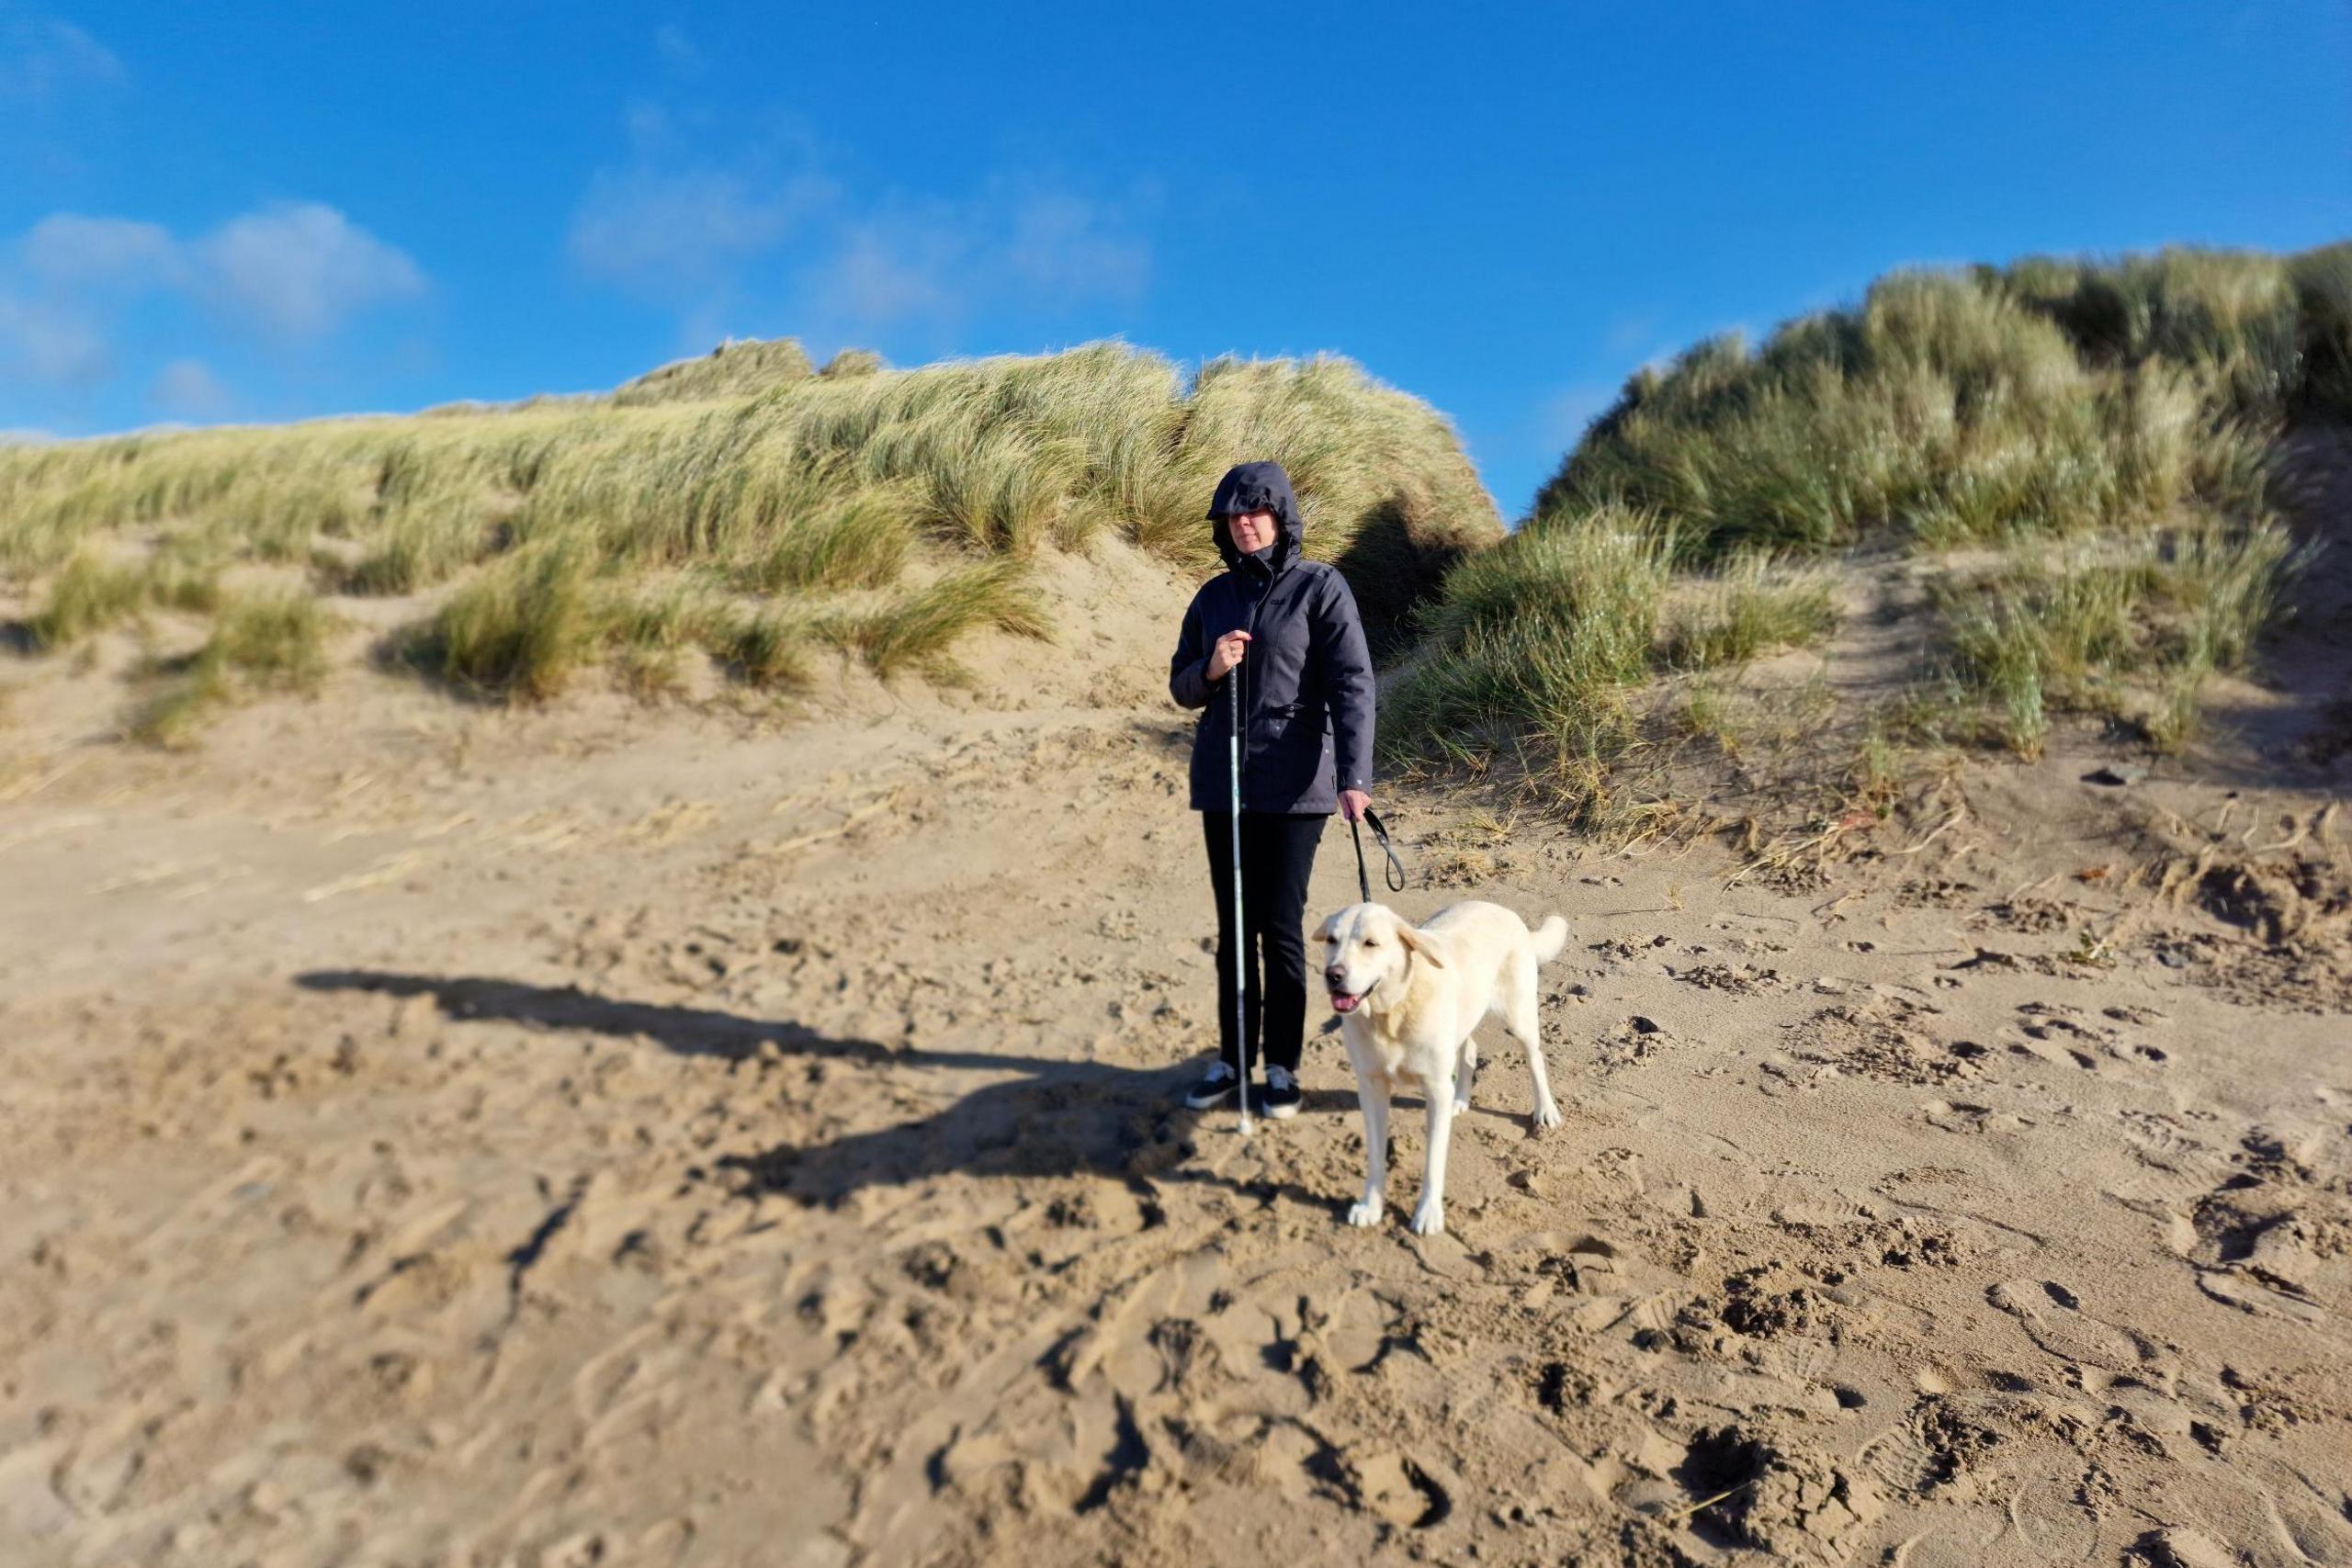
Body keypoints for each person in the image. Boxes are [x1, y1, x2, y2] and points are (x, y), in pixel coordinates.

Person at [1168, 460, 1375, 1120]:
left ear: (1281, 518)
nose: (1244, 524)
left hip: (1295, 789)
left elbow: (1353, 685)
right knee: (1233, 929)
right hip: (1223, 783)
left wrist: (1355, 776)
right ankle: (1233, 1058)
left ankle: (1281, 1067)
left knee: (1280, 930)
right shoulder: (1211, 598)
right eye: (1233, 516)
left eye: (1256, 513)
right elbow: (1180, 687)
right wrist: (1211, 665)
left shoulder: (1321, 587)